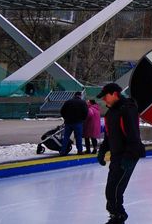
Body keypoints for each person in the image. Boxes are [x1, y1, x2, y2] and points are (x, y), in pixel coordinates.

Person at [96, 82, 146, 223]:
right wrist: (102, 151)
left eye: (105, 96)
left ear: (114, 94)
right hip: (117, 155)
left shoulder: (127, 109)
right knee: (110, 188)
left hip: (128, 155)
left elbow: (133, 135)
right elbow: (109, 135)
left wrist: (128, 157)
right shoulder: (111, 112)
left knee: (115, 188)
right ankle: (115, 213)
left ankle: (119, 216)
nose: (104, 100)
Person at [59, 90, 89, 155]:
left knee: (66, 137)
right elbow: (86, 112)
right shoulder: (83, 102)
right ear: (80, 96)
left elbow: (62, 111)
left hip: (68, 123)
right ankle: (79, 151)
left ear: (74, 95)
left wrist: (65, 118)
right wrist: (83, 119)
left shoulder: (68, 102)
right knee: (78, 137)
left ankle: (63, 151)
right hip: (78, 123)